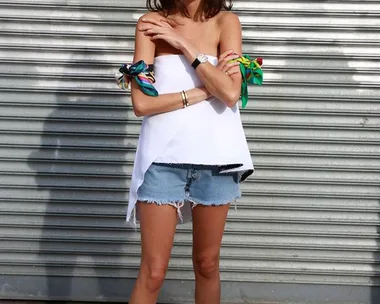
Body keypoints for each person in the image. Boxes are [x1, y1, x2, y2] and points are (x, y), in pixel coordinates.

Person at [127, 0, 254, 303]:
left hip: (217, 160)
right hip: (161, 160)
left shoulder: (227, 23)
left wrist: (183, 44)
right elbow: (142, 104)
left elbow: (231, 93)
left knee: (207, 265)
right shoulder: (150, 25)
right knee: (153, 271)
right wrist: (202, 91)